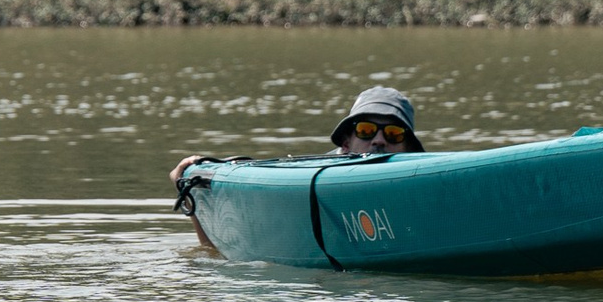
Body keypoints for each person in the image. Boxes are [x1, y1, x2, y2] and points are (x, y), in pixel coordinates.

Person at [167, 85, 426, 187]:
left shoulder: (425, 181)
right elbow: (213, 251)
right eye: (366, 131)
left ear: (408, 148)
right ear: (346, 143)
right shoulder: (316, 175)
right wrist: (189, 183)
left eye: (393, 134)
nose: (379, 140)